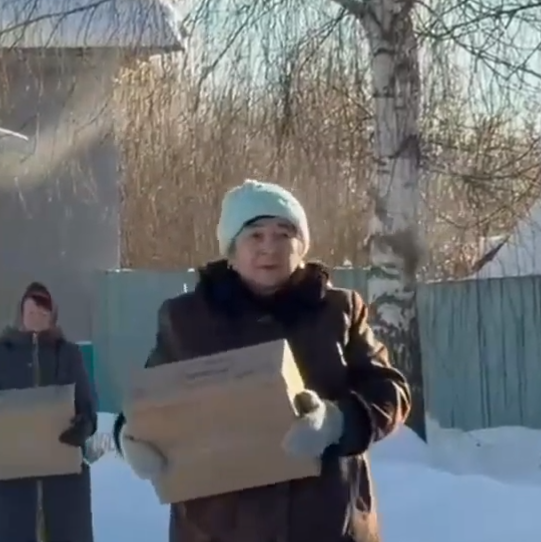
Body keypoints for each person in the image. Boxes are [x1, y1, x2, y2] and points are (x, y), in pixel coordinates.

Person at [113, 180, 410, 542]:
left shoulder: (338, 311)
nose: (270, 247)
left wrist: (337, 422)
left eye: (284, 234)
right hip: (215, 528)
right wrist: (128, 437)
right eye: (255, 235)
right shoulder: (187, 320)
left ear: (301, 246)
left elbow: (391, 392)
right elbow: (151, 402)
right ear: (231, 249)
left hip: (328, 524)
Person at [0, 282, 98, 542]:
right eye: (32, 311)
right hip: (7, 482)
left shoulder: (68, 354)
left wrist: (83, 426)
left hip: (61, 483)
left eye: (44, 313)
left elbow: (86, 404)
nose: (37, 318)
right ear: (20, 313)